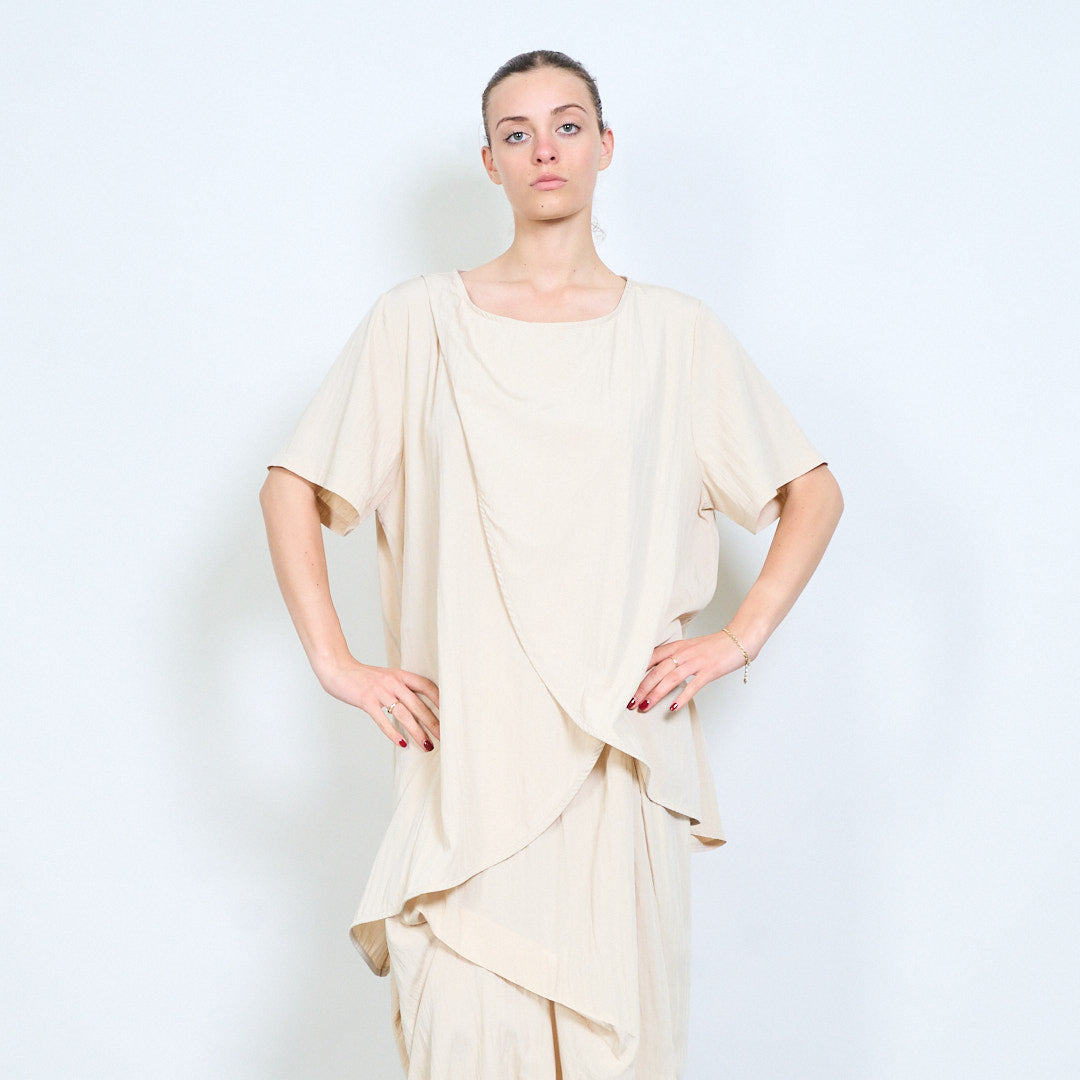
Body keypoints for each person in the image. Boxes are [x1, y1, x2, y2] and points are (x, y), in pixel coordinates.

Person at [259, 48, 843, 1080]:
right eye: (517, 132)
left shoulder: (674, 334)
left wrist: (737, 639)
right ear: (489, 161)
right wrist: (336, 665)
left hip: (615, 758)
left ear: (605, 147)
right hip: (467, 762)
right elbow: (290, 487)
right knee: (461, 1041)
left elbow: (813, 493)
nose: (545, 149)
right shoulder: (418, 322)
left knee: (617, 1050)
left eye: (568, 125)